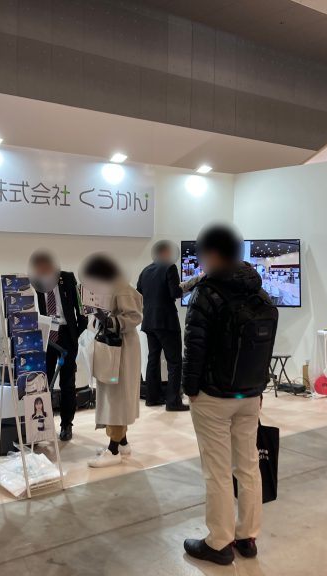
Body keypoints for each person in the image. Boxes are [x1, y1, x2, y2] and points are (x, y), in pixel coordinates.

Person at [182, 225, 275, 566]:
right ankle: (247, 537)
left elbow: (194, 347)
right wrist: (259, 387)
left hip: (214, 396)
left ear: (212, 254)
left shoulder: (206, 294)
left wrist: (190, 389)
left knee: (217, 471)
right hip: (249, 394)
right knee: (248, 466)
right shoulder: (260, 293)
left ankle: (219, 542)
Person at [81, 253, 143, 469]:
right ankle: (122, 443)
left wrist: (109, 321)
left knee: (118, 396)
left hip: (121, 349)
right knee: (112, 394)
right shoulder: (107, 287)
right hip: (111, 348)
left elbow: (134, 316)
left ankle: (114, 449)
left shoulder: (122, 287)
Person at [29, 251, 88, 442]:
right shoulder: (35, 283)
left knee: (67, 383)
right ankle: (43, 426)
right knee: (43, 381)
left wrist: (76, 333)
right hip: (46, 335)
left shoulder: (67, 278)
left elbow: (80, 307)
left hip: (66, 334)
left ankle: (66, 424)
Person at [136, 240, 195, 411]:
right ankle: (173, 402)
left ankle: (152, 398)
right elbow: (175, 293)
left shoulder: (145, 271)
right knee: (174, 362)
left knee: (152, 360)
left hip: (149, 321)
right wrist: (188, 286)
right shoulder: (170, 268)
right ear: (165, 253)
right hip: (166, 322)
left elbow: (139, 294)